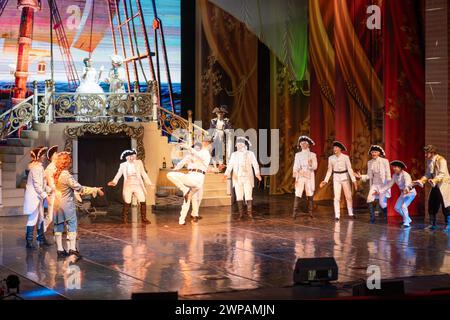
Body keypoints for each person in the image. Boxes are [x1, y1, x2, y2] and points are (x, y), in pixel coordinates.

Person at [53, 152, 104, 259]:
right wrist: (95, 189)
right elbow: (80, 188)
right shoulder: (66, 176)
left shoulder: (56, 174)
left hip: (57, 204)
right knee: (71, 224)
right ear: (67, 164)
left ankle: (60, 250)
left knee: (58, 226)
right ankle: (72, 249)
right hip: (66, 204)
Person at [168, 139, 212, 225]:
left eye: (197, 148)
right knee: (190, 198)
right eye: (194, 147)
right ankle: (183, 219)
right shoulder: (190, 155)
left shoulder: (205, 154)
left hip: (198, 178)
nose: (195, 149)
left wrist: (188, 147)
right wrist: (176, 168)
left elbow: (199, 156)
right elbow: (181, 162)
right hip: (190, 176)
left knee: (199, 197)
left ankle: (194, 213)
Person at [108, 149, 153, 224]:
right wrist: (114, 181)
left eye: (132, 156)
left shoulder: (139, 163)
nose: (131, 158)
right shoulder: (123, 165)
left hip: (138, 184)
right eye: (129, 157)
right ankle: (124, 218)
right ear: (126, 157)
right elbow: (118, 174)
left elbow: (143, 173)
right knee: (127, 201)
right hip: (128, 185)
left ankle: (144, 218)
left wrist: (149, 183)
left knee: (142, 200)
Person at [413, 145, 450, 231]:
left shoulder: (441, 160)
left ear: (432, 152)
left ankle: (448, 224)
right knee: (432, 203)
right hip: (435, 185)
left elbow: (442, 173)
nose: (425, 155)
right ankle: (432, 224)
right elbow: (428, 174)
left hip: (443, 185)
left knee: (446, 205)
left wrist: (434, 180)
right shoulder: (430, 161)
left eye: (427, 153)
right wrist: (421, 181)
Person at [224, 137, 262, 219]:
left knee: (248, 195)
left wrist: (257, 173)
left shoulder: (250, 153)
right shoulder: (234, 154)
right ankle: (241, 214)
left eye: (240, 144)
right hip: (237, 178)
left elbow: (255, 164)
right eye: (237, 145)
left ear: (244, 145)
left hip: (247, 177)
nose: (239, 146)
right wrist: (226, 174)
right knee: (239, 196)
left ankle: (249, 213)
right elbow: (230, 165)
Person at [320, 141, 358, 221]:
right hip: (336, 178)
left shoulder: (345, 157)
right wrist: (325, 181)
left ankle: (350, 213)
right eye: (334, 147)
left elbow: (350, 169)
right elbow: (329, 170)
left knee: (348, 196)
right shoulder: (331, 158)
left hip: (345, 177)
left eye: (336, 147)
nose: (335, 149)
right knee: (336, 197)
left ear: (340, 149)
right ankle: (337, 215)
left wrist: (354, 181)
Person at [355, 145, 391, 224]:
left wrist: (387, 186)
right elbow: (369, 175)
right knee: (369, 199)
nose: (373, 153)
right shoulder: (370, 162)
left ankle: (387, 216)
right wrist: (361, 176)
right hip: (375, 184)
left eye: (375, 152)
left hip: (383, 184)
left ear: (379, 153)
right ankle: (372, 218)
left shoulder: (385, 161)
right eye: (372, 152)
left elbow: (388, 174)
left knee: (382, 203)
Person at [23, 146, 51, 249]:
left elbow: (42, 184)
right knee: (33, 218)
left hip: (38, 196)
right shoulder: (35, 168)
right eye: (42, 155)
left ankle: (40, 238)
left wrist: (50, 190)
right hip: (34, 197)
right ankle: (29, 241)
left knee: (41, 217)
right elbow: (37, 185)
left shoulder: (40, 167)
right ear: (38, 157)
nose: (44, 156)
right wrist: (46, 196)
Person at [376, 161, 416, 228]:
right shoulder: (394, 175)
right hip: (403, 193)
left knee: (403, 206)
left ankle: (406, 223)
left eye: (395, 167)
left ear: (400, 168)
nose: (394, 168)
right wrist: (380, 191)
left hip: (410, 193)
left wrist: (406, 189)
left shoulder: (405, 175)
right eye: (393, 167)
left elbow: (407, 183)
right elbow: (389, 185)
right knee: (397, 208)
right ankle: (407, 219)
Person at [292, 136, 318, 219]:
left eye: (304, 143)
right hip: (300, 175)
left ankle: (310, 212)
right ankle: (294, 213)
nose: (303, 145)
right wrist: (295, 175)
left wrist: (310, 165)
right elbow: (295, 166)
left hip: (309, 176)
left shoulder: (312, 155)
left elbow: (315, 167)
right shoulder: (298, 155)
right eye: (301, 143)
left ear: (308, 145)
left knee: (310, 193)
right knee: (298, 193)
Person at [209, 105, 232, 171]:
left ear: (223, 114)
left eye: (221, 113)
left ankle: (221, 164)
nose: (220, 115)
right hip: (215, 134)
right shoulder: (213, 120)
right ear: (216, 114)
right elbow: (211, 129)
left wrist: (227, 131)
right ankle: (214, 165)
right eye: (219, 113)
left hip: (222, 134)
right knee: (214, 150)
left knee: (221, 150)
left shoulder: (226, 120)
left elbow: (229, 128)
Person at [44, 145, 58, 233]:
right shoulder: (50, 168)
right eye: (56, 153)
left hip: (57, 192)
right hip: (52, 193)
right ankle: (41, 231)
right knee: (50, 216)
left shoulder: (56, 166)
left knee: (59, 213)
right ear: (52, 156)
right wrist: (53, 190)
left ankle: (58, 231)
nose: (58, 155)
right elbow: (49, 182)